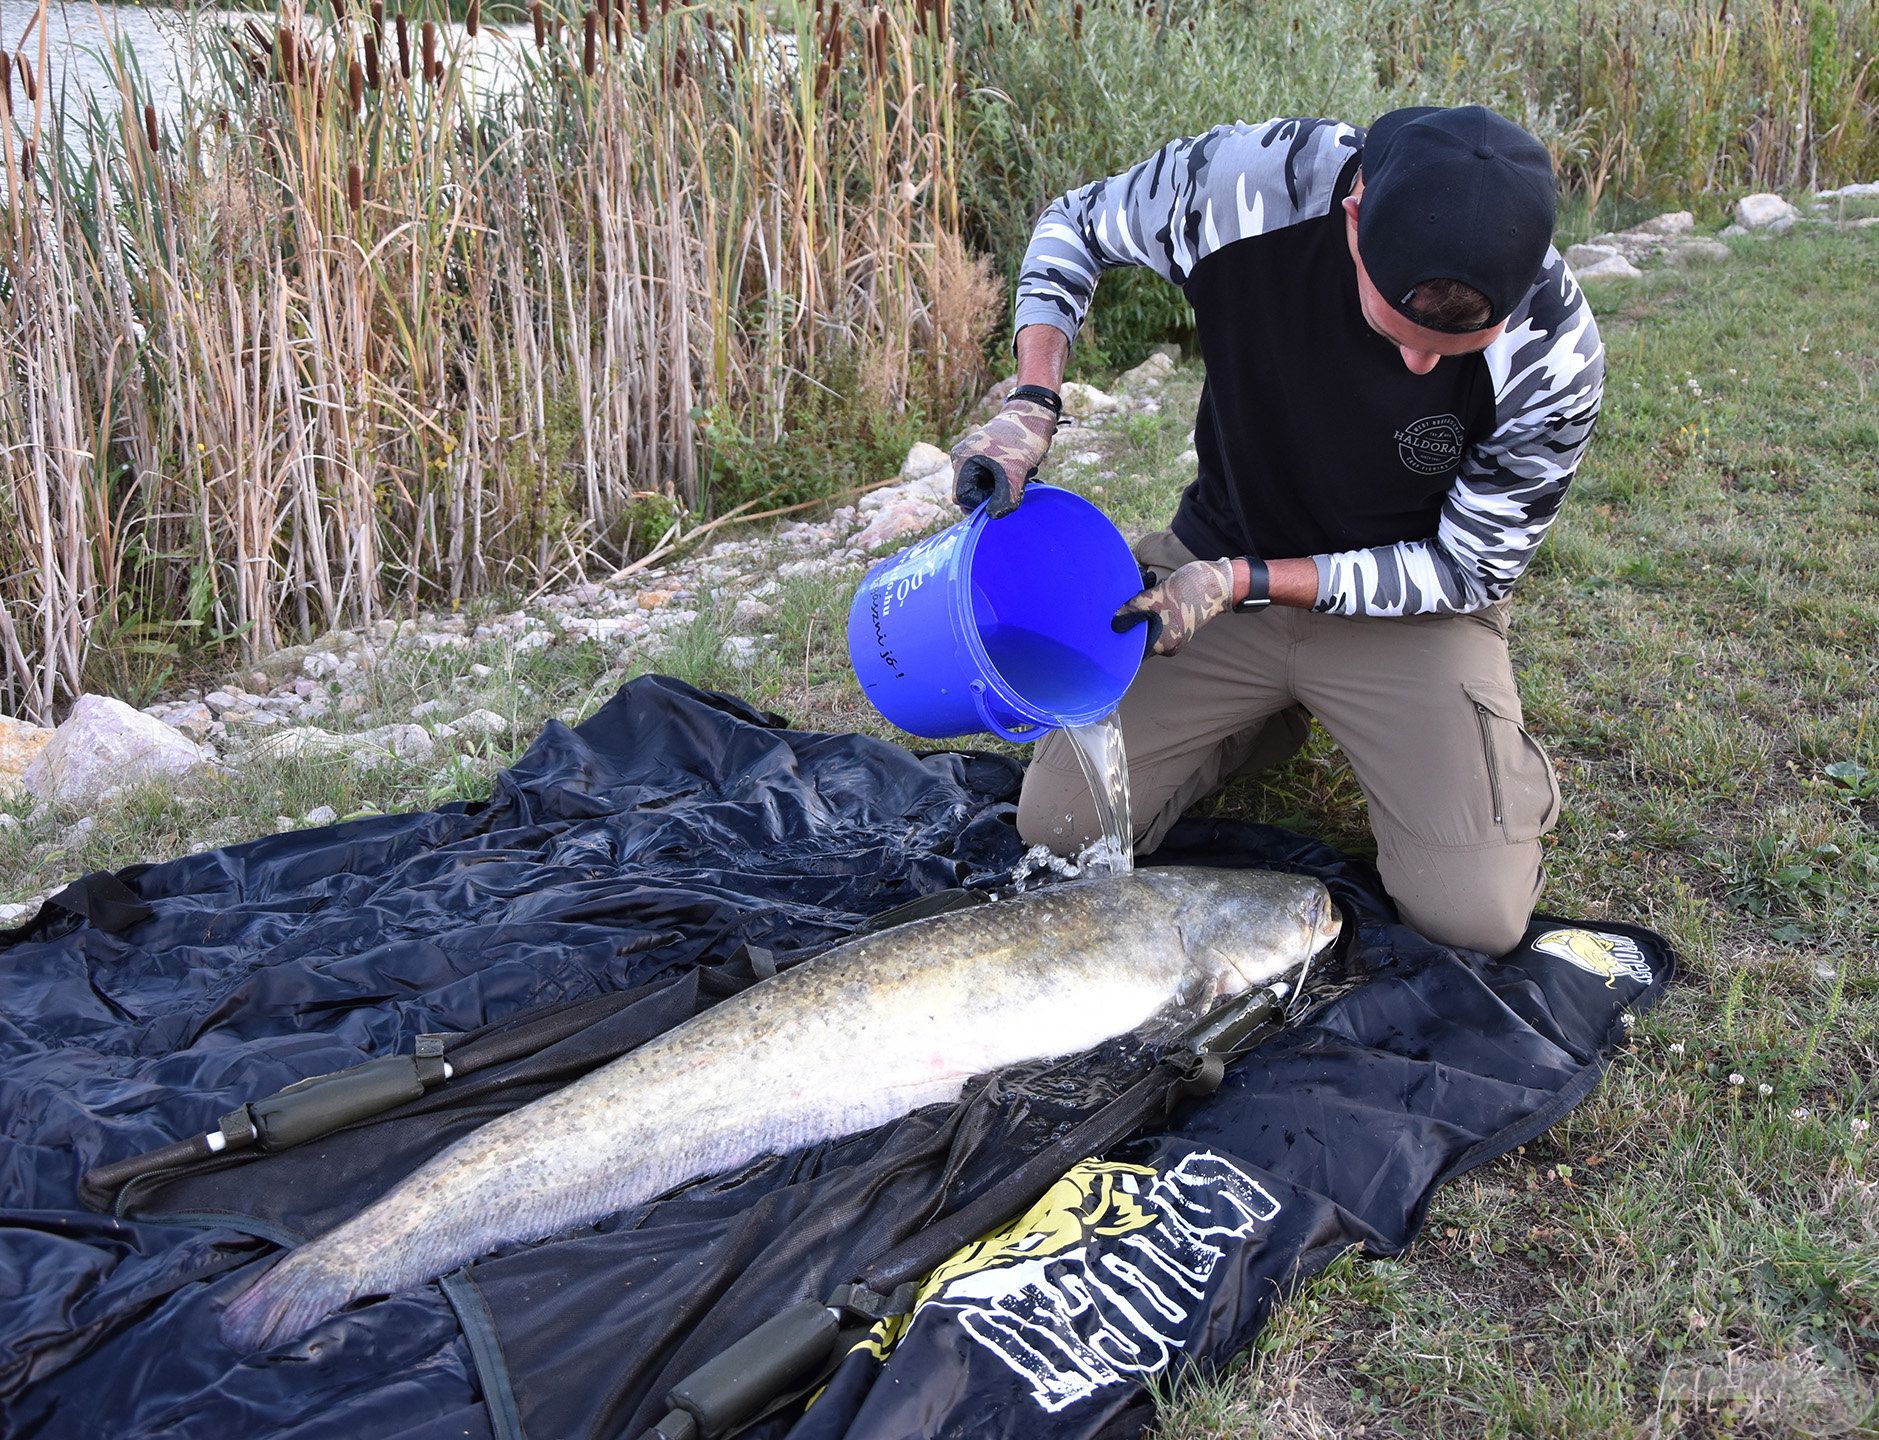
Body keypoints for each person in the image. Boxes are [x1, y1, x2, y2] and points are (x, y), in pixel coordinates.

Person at [949, 107, 1605, 955]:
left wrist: (1245, 584)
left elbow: (1468, 568)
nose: (1416, 370)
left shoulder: (1556, 352)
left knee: (1472, 916)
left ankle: (1486, 775)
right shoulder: (1248, 186)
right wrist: (1031, 402)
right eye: (1397, 332)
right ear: (1355, 214)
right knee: (1060, 832)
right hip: (1218, 553)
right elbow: (1073, 223)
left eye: (1452, 351)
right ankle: (1262, 718)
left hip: (1407, 610)